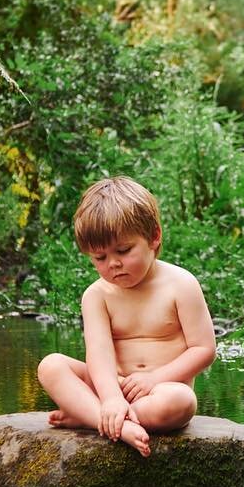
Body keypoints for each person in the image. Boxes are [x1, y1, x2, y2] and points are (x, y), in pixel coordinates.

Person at [36, 176, 216, 457]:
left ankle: (92, 417)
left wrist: (153, 379)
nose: (113, 264)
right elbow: (99, 355)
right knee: (51, 366)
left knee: (182, 401)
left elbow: (204, 349)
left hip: (160, 391)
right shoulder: (96, 295)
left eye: (123, 250)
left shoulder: (181, 284)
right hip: (111, 385)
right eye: (100, 258)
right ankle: (105, 416)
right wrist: (110, 398)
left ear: (154, 237)